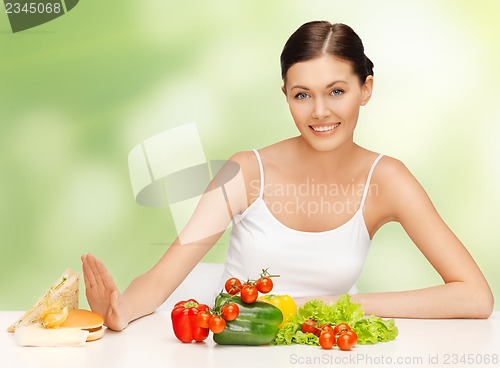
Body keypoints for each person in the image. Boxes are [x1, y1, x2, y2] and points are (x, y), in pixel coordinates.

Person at [81, 21, 494, 331]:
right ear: (286, 95)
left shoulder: (387, 179)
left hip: (326, 345)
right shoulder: (244, 172)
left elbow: (475, 296)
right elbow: (160, 279)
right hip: (234, 342)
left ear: (365, 89)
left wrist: (340, 304)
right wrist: (118, 312)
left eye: (336, 91)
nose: (319, 112)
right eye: (302, 95)